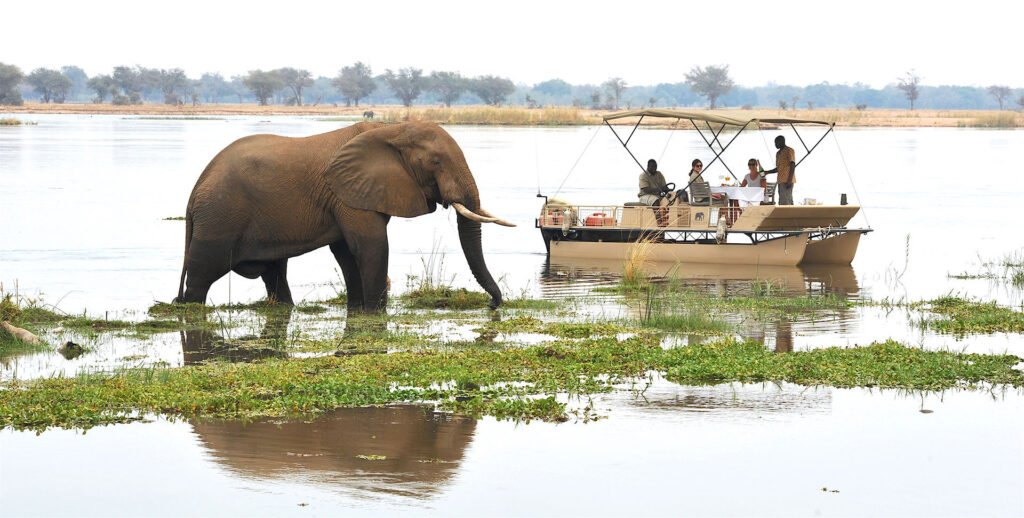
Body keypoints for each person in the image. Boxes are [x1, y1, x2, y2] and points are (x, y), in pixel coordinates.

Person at [760, 135, 796, 205]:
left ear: (782, 142)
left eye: (776, 143)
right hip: (780, 180)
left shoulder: (789, 150)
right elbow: (778, 169)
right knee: (782, 201)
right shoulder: (778, 153)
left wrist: (789, 180)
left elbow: (792, 165)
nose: (775, 144)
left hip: (787, 180)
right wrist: (767, 172)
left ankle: (789, 215)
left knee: (787, 201)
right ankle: (784, 215)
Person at [637, 158, 672, 225]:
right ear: (648, 167)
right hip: (645, 195)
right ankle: (659, 221)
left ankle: (667, 219)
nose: (654, 168)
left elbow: (664, 186)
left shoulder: (659, 174)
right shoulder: (643, 176)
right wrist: (660, 189)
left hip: (658, 194)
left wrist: (668, 191)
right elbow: (646, 190)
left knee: (670, 198)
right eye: (652, 166)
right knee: (655, 200)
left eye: (655, 166)